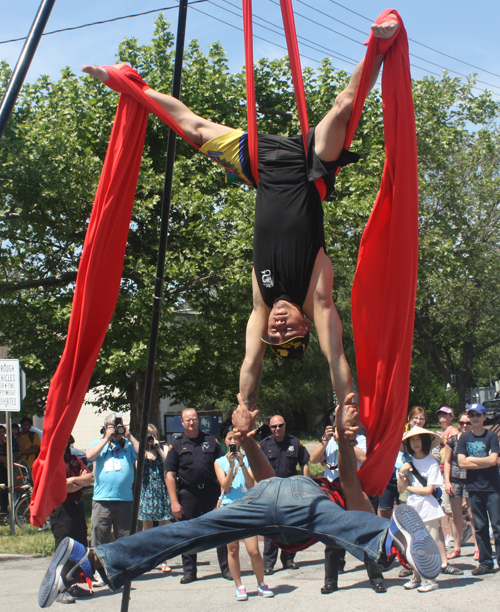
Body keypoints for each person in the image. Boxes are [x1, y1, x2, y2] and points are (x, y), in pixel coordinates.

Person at [82, 16, 401, 413]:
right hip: (309, 164)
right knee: (343, 108)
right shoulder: (315, 295)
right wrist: (347, 401)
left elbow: (251, 361)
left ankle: (128, 83)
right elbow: (335, 356)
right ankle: (378, 43)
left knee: (193, 129)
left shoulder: (262, 302)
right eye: (288, 331)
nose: (278, 326)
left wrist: (245, 405)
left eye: (275, 334)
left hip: (258, 166)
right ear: (306, 326)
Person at [38, 393, 442, 609]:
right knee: (341, 523)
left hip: (267, 502)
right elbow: (348, 488)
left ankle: (86, 559)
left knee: (188, 534)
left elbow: (270, 483)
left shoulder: (320, 491)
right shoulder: (333, 495)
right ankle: (390, 540)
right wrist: (337, 436)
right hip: (302, 499)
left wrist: (249, 439)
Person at [310, 406, 385, 593]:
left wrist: (346, 442)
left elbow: (365, 457)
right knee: (332, 536)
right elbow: (313, 459)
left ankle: (376, 578)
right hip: (334, 490)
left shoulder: (360, 439)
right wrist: (327, 440)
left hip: (355, 489)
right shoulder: (329, 440)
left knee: (367, 533)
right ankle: (330, 581)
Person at [164, 408, 230, 583]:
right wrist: (174, 502)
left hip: (211, 491)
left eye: (194, 419)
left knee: (220, 529)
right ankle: (189, 572)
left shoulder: (211, 441)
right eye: (188, 420)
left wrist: (222, 496)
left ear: (198, 420)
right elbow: (170, 475)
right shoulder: (176, 445)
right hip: (188, 493)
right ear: (182, 423)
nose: (191, 422)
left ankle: (226, 568)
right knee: (187, 533)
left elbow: (223, 467)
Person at [398, 427, 462, 592]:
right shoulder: (408, 463)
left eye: (419, 440)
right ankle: (416, 577)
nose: (416, 443)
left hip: (429, 509)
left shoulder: (432, 462)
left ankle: (431, 579)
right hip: (412, 509)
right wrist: (400, 473)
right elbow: (400, 489)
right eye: (412, 440)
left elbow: (428, 490)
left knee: (429, 544)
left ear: (425, 442)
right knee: (413, 545)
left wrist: (409, 488)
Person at [215, 421, 274, 600]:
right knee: (232, 550)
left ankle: (261, 583)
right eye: (229, 438)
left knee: (254, 550)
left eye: (235, 438)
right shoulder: (219, 462)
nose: (233, 441)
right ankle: (239, 586)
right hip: (229, 508)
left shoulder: (248, 459)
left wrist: (241, 464)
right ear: (225, 441)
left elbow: (250, 484)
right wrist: (231, 465)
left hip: (247, 507)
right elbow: (225, 487)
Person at [259, 414, 310, 574]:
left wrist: (306, 488)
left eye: (280, 425)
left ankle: (288, 559)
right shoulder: (264, 445)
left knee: (290, 527)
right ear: (270, 428)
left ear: (285, 425)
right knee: (271, 529)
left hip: (291, 492)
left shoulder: (295, 443)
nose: (277, 429)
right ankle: (268, 563)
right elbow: (256, 468)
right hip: (271, 493)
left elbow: (305, 464)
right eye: (274, 427)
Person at [86, 414, 139, 558]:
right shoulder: (98, 443)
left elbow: (142, 454)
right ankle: (99, 571)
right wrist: (106, 438)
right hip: (102, 500)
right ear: (105, 428)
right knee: (100, 537)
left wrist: (129, 435)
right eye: (112, 428)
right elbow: (90, 456)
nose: (116, 432)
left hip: (125, 499)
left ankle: (123, 569)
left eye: (118, 428)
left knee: (125, 538)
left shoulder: (128, 446)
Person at [48, 436, 94, 604]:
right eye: (63, 440)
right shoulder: (53, 461)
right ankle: (58, 588)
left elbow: (90, 478)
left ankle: (71, 584)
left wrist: (74, 481)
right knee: (63, 549)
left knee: (78, 547)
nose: (66, 444)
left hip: (77, 506)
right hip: (62, 508)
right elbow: (62, 486)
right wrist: (78, 482)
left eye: (68, 441)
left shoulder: (74, 459)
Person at [457, 403, 500, 575]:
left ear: (484, 417)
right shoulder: (465, 438)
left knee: (497, 525)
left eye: (478, 415)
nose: (474, 418)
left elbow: (493, 461)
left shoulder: (491, 436)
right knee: (480, 527)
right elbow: (461, 463)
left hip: (492, 488)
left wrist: (471, 461)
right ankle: (486, 562)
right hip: (474, 487)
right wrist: (484, 461)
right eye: (472, 415)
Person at [138, 424, 173, 573]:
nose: (152, 438)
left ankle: (163, 560)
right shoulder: (142, 451)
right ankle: (149, 559)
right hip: (147, 492)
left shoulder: (163, 448)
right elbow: (136, 467)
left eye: (154, 435)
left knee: (163, 529)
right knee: (147, 530)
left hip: (161, 490)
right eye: (149, 436)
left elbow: (169, 463)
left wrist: (158, 448)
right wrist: (145, 453)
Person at [443, 412, 476, 560]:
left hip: (472, 480)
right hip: (456, 480)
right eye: (461, 423)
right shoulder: (453, 440)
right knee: (456, 517)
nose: (464, 426)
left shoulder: (476, 440)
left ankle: (478, 547)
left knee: (473, 515)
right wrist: (447, 481)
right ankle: (457, 548)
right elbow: (447, 461)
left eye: (467, 423)